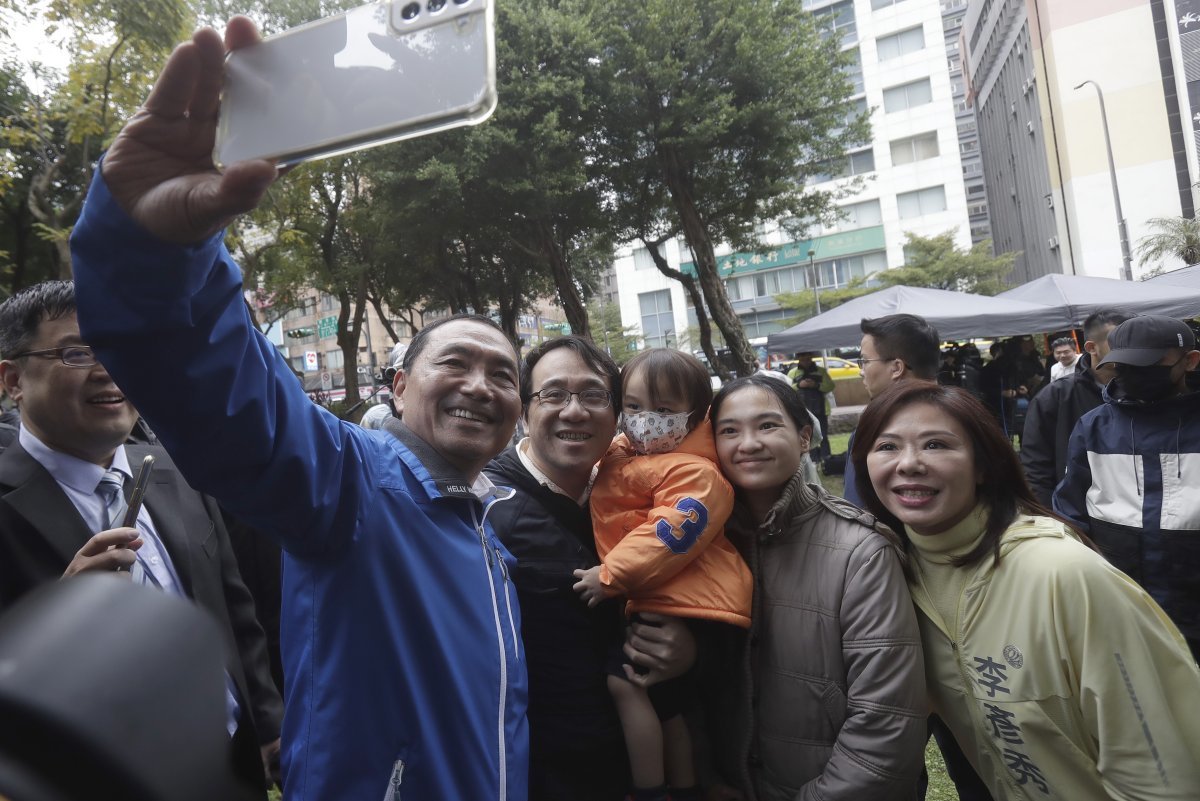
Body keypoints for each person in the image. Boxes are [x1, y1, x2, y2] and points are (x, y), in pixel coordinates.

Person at [69, 20, 528, 801]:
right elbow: (228, 396)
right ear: (398, 387)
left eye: (504, 373)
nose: (482, 384)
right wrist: (149, 252)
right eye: (455, 362)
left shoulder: (490, 531)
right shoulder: (351, 483)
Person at [0, 281, 283, 797]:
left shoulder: (181, 473)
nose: (110, 370)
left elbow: (235, 613)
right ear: (14, 379)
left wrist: (267, 724)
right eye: (77, 352)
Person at [851, 381, 1200, 799]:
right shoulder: (893, 576)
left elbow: (1162, 770)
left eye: (936, 445)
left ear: (983, 465)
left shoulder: (1065, 574)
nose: (908, 463)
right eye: (887, 446)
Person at [483, 335, 697, 800]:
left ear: (617, 412)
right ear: (524, 411)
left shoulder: (647, 491)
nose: (574, 411)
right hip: (541, 768)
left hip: (642, 755)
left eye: (594, 395)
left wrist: (691, 644)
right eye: (553, 394)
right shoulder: (484, 508)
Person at [701, 374, 926, 800]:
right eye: (729, 430)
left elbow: (886, 722)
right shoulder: (699, 543)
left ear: (804, 436)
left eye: (768, 426)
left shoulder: (861, 551)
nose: (748, 443)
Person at [573, 348, 753, 801]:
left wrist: (610, 575)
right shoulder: (626, 452)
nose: (645, 419)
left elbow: (667, 535)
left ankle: (648, 788)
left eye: (665, 410)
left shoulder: (696, 472)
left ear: (696, 415)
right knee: (669, 704)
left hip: (682, 598)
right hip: (659, 593)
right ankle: (688, 785)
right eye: (633, 407)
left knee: (626, 683)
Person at [1053, 314, 1200, 656]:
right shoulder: (1094, 427)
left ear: (1189, 361)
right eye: (1124, 364)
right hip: (1122, 613)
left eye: (1147, 364)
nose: (1133, 373)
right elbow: (1070, 513)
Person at [1020, 309, 1131, 508]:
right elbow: (1035, 468)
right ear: (1092, 347)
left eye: (1133, 340)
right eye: (1119, 341)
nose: (1129, 348)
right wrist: (1050, 517)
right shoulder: (1055, 396)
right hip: (1075, 514)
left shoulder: (1146, 391)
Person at [843, 313, 941, 507]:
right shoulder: (967, 417)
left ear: (897, 367)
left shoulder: (875, 428)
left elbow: (857, 510)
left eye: (865, 361)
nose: (861, 370)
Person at [786, 352, 834, 461]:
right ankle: (813, 460)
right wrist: (799, 385)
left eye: (808, 358)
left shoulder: (821, 371)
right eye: (803, 358)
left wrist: (816, 385)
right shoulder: (793, 373)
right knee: (808, 436)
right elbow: (786, 390)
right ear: (798, 359)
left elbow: (830, 386)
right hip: (802, 410)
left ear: (811, 358)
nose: (806, 361)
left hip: (820, 409)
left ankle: (827, 459)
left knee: (823, 435)